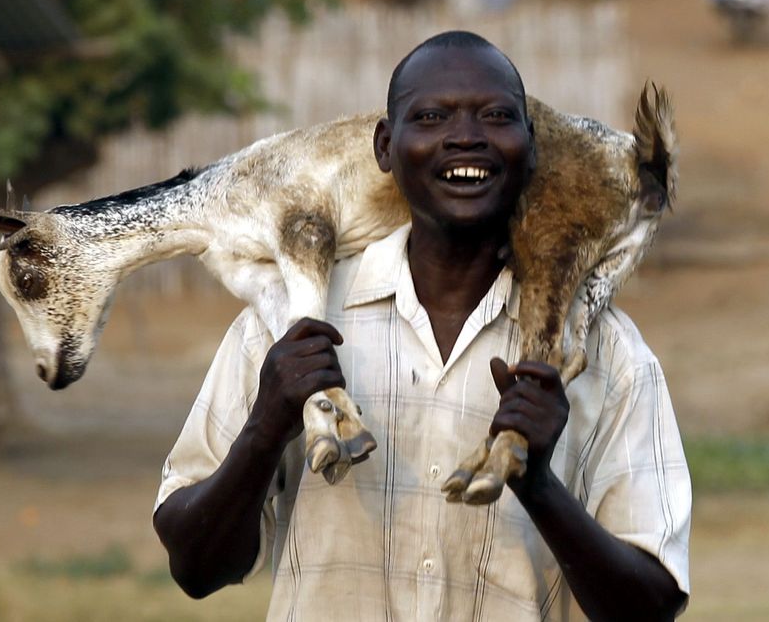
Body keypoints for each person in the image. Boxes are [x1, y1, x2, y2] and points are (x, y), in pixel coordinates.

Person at [153, 32, 691, 620]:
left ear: (532, 148)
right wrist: (266, 425)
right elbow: (196, 567)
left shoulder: (603, 353)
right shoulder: (283, 330)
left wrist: (538, 485)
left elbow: (652, 605)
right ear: (386, 146)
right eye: (432, 117)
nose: (466, 137)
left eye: (496, 116)